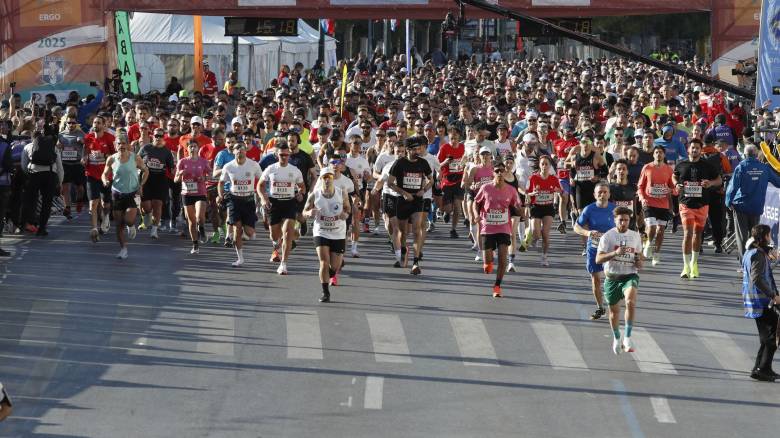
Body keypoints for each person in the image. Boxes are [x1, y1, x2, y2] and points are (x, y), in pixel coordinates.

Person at [596, 206, 643, 354]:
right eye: (621, 220)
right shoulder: (608, 237)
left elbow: (640, 262)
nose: (623, 223)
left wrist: (638, 260)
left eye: (626, 220)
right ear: (615, 220)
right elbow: (598, 259)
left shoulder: (635, 236)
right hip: (612, 278)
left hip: (629, 276)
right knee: (614, 313)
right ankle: (617, 337)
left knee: (630, 302)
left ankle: (627, 338)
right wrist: (614, 253)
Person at [673, 139, 721, 279]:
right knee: (688, 233)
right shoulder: (681, 164)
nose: (694, 150)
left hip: (702, 205)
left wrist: (710, 183)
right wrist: (676, 184)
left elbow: (719, 180)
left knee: (697, 234)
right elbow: (674, 175)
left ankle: (694, 263)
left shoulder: (708, 165)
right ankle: (685, 266)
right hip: (685, 204)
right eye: (692, 147)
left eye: (697, 148)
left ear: (701, 150)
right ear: (688, 149)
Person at [474, 156, 521, 297]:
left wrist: (520, 208)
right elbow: (476, 202)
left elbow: (517, 204)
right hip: (487, 228)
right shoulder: (486, 188)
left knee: (502, 259)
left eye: (501, 170)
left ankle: (497, 286)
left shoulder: (511, 190)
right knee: (488, 264)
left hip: (503, 228)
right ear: (493, 173)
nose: (499, 173)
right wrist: (476, 215)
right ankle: (487, 264)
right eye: (497, 171)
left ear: (505, 172)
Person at [303, 167, 351, 302]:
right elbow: (304, 212)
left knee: (334, 266)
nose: (327, 180)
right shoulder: (315, 194)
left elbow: (348, 208)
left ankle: (331, 272)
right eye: (324, 177)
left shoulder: (341, 192)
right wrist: (309, 213)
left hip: (338, 232)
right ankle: (325, 293)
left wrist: (345, 214)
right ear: (321, 179)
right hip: (321, 231)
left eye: (329, 177)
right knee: (324, 262)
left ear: (333, 178)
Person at [386, 136, 433, 273]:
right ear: (407, 150)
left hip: (417, 200)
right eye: (414, 149)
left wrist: (424, 190)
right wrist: (404, 193)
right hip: (402, 201)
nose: (417, 152)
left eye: (419, 149)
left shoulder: (423, 163)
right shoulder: (399, 163)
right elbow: (390, 183)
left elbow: (431, 180)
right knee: (403, 232)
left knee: (417, 229)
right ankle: (403, 250)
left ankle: (415, 262)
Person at [259, 141, 306, 274]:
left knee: (287, 233)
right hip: (274, 203)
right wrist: (263, 198)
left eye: (286, 155)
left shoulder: (294, 170)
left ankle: (283, 264)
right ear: (276, 155)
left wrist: (300, 193)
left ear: (289, 155)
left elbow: (302, 187)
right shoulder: (271, 169)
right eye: (281, 155)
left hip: (289, 203)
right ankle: (283, 240)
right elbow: (260, 185)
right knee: (274, 235)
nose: (284, 157)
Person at [726, 144, 780, 259]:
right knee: (755, 236)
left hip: (741, 206)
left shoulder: (741, 167)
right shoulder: (764, 168)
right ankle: (754, 260)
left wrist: (728, 202)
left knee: (742, 236)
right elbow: (778, 182)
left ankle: (744, 261)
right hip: (756, 207)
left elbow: (732, 187)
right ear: (756, 155)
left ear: (745, 154)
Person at [741, 224, 780, 382]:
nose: (770, 238)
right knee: (772, 336)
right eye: (769, 235)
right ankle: (763, 368)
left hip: (756, 300)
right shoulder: (757, 254)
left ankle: (760, 368)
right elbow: (756, 278)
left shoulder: (751, 252)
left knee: (766, 337)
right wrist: (773, 295)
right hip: (761, 301)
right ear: (763, 237)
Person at [102, 133, 148, 260]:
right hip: (117, 193)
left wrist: (141, 185)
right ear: (115, 145)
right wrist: (105, 180)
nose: (121, 146)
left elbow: (146, 171)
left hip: (132, 193)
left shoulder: (135, 158)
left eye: (123, 143)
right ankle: (123, 249)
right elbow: (104, 173)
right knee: (119, 224)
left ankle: (131, 226)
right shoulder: (111, 159)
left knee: (128, 220)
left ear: (127, 145)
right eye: (119, 143)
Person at [573, 183, 615, 320]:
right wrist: (588, 233)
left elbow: (624, 227)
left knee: (610, 277)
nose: (602, 194)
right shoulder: (589, 209)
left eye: (605, 192)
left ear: (609, 194)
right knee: (596, 279)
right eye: (599, 192)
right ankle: (600, 307)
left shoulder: (615, 209)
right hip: (594, 248)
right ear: (595, 195)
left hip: (610, 248)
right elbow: (576, 227)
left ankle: (612, 302)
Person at [218, 141, 263, 267]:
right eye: (237, 149)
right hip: (234, 200)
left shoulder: (253, 165)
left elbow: (262, 180)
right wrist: (221, 196)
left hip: (248, 200)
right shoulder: (228, 166)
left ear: (246, 151)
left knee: (249, 233)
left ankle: (249, 229)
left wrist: (262, 196)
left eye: (242, 148)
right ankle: (240, 258)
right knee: (237, 229)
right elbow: (221, 182)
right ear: (233, 151)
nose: (240, 151)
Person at [21, 122, 63, 236]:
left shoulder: (28, 147)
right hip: (50, 175)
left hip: (34, 175)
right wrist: (60, 182)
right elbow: (60, 167)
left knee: (31, 200)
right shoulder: (53, 146)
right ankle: (42, 228)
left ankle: (30, 223)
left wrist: (28, 175)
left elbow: (24, 165)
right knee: (47, 202)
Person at [637, 146, 675, 265]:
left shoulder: (669, 169)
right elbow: (640, 186)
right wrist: (642, 198)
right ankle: (648, 243)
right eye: (656, 152)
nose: (658, 154)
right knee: (652, 227)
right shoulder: (647, 167)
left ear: (664, 155)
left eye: (661, 152)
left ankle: (656, 254)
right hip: (649, 203)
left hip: (663, 204)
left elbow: (673, 188)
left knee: (660, 231)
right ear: (653, 155)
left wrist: (673, 190)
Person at [176, 140, 211, 254]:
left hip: (200, 192)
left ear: (198, 148)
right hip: (187, 194)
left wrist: (204, 178)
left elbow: (210, 174)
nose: (192, 148)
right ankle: (195, 244)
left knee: (199, 217)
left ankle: (202, 228)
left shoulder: (203, 161)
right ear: (187, 149)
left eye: (195, 146)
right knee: (191, 221)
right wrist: (180, 174)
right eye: (190, 146)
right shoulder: (182, 161)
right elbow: (176, 179)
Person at [139, 128, 175, 239]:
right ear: (152, 136)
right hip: (146, 179)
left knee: (158, 204)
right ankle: (148, 214)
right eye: (156, 136)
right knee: (147, 206)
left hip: (160, 180)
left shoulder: (166, 151)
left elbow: (171, 168)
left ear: (164, 138)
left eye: (160, 136)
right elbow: (136, 160)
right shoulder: (146, 148)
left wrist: (178, 170)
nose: (158, 138)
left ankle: (154, 230)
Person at [84, 116, 115, 241]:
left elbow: (115, 155)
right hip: (91, 174)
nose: (96, 125)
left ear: (104, 125)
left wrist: (108, 156)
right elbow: (85, 152)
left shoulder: (110, 138)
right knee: (93, 203)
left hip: (106, 175)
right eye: (94, 122)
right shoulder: (88, 138)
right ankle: (94, 229)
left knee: (105, 203)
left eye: (98, 123)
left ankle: (106, 217)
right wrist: (84, 158)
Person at [526, 155, 561, 266]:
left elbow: (561, 191)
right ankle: (534, 238)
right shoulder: (533, 178)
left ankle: (544, 257)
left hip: (548, 208)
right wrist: (533, 193)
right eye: (542, 164)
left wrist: (558, 190)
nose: (544, 166)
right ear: (539, 165)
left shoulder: (554, 179)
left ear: (550, 166)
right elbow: (527, 193)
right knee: (536, 233)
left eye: (546, 164)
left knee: (545, 233)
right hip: (536, 207)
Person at [57, 114, 86, 219]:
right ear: (66, 123)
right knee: (65, 187)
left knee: (80, 188)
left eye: (73, 123)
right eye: (69, 122)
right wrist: (58, 145)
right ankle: (67, 208)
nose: (71, 124)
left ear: (76, 124)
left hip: (77, 164)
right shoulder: (61, 134)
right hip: (65, 163)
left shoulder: (81, 133)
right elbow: (57, 146)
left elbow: (87, 145)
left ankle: (79, 200)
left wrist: (83, 142)